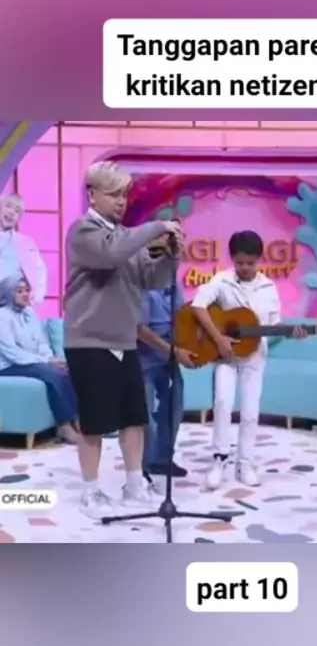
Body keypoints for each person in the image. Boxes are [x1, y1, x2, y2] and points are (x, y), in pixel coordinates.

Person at [63, 161, 185, 520]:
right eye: (113, 194)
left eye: (124, 195)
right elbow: (111, 253)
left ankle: (134, 485)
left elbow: (151, 279)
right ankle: (91, 492)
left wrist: (172, 257)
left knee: (134, 419)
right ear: (93, 195)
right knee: (95, 422)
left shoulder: (125, 236)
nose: (121, 201)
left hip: (125, 342)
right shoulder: (83, 232)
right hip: (89, 342)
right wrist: (156, 227)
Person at [191, 230, 306, 491]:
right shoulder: (221, 281)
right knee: (222, 403)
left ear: (259, 260)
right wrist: (218, 338)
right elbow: (198, 306)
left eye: (250, 263)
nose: (245, 267)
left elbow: (274, 324)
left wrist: (291, 332)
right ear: (232, 259)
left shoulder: (268, 287)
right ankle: (219, 460)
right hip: (226, 356)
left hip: (255, 356)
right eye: (240, 262)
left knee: (251, 412)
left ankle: (246, 463)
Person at [0, 274, 78, 444]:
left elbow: (41, 342)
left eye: (27, 290)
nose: (25, 294)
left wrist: (50, 358)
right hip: (8, 365)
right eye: (19, 291)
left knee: (66, 369)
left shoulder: (29, 312)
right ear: (8, 293)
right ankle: (64, 426)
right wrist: (45, 362)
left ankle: (77, 422)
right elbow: (12, 353)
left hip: (31, 361)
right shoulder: (2, 316)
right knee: (53, 375)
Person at [137, 278, 197, 484]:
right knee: (145, 417)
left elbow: (182, 316)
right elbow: (140, 330)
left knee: (174, 406)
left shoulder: (173, 281)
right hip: (144, 360)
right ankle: (141, 467)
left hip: (169, 359)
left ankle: (163, 459)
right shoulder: (141, 284)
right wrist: (173, 351)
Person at [0, 194, 47, 303]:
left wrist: (33, 299)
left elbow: (40, 272)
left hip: (11, 304)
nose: (12, 212)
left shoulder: (26, 244)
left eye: (17, 211)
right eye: (8, 206)